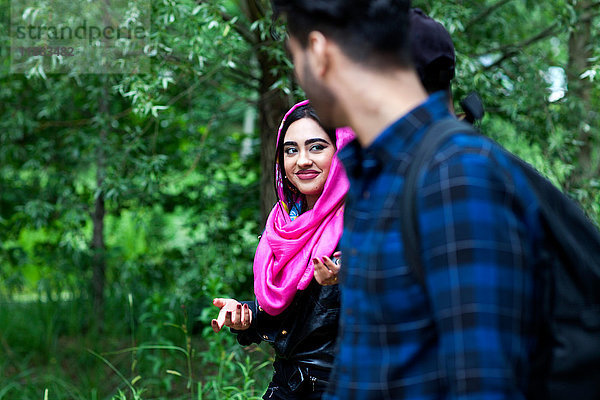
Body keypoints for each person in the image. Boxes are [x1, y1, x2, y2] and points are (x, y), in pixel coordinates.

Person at [273, 1, 549, 399]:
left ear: (318, 51)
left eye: (294, 57)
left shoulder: (452, 175)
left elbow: (485, 378)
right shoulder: (379, 179)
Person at [211, 100, 354, 399]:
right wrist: (248, 316)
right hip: (288, 386)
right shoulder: (283, 224)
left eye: (316, 147)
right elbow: (294, 313)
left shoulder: (365, 219)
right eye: (291, 150)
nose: (302, 160)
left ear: (341, 151)